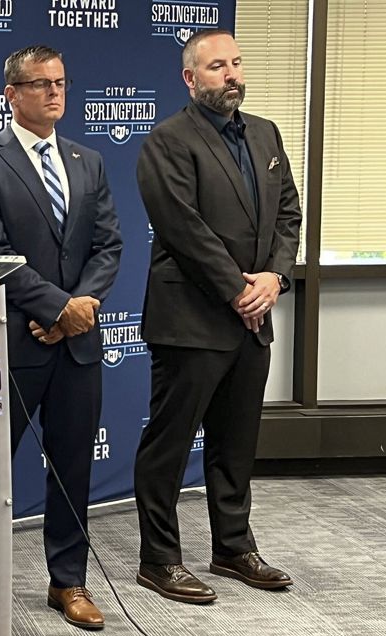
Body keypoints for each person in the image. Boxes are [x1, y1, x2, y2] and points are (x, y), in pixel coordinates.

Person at [0, 46, 123, 630]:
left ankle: (68, 581)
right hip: (14, 344)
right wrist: (55, 307)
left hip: (76, 345)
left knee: (72, 466)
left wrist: (78, 309)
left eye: (61, 82)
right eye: (40, 83)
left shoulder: (88, 160)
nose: (54, 92)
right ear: (11, 94)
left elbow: (107, 246)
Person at [132, 28, 301, 604]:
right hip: (192, 320)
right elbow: (183, 229)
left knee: (236, 442)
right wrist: (238, 289)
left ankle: (233, 546)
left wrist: (275, 278)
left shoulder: (265, 133)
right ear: (190, 78)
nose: (231, 74)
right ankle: (158, 559)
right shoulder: (167, 141)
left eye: (235, 63)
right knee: (170, 443)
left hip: (253, 315)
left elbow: (288, 214)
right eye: (215, 67)